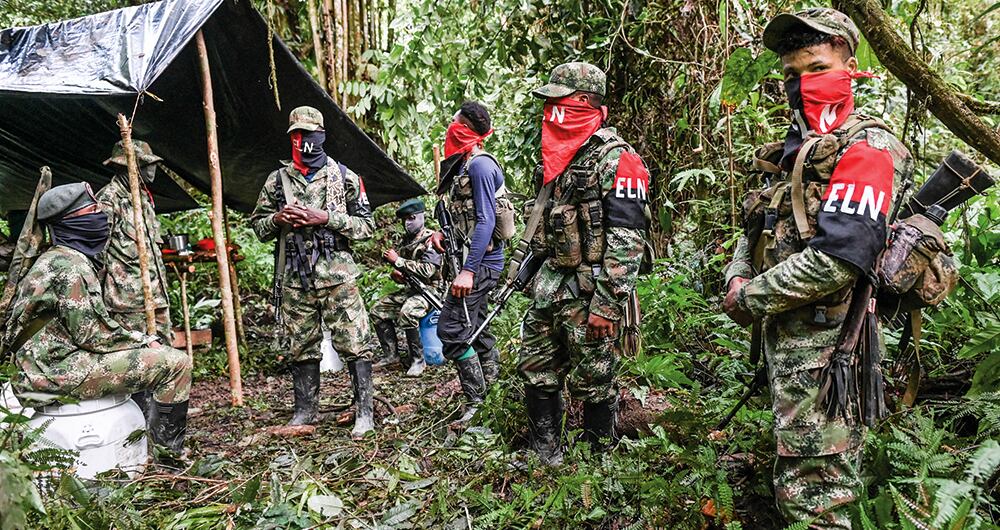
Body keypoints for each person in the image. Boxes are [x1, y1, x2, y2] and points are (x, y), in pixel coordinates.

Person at [721, 8, 913, 528]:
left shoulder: (869, 148)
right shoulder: (795, 149)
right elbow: (757, 231)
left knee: (818, 497)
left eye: (816, 68)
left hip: (830, 349)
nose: (801, 84)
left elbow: (839, 261)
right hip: (785, 341)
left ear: (850, 67)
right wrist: (737, 275)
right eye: (791, 74)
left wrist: (748, 298)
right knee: (795, 477)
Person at [516, 62, 651, 465]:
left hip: (591, 294)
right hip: (549, 288)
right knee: (536, 370)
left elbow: (628, 242)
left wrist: (608, 306)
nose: (549, 111)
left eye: (557, 100)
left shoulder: (617, 160)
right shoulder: (558, 158)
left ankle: (597, 464)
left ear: (582, 102)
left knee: (594, 381)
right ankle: (546, 452)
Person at [4, 183, 191, 453]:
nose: (100, 217)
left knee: (150, 356)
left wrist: (138, 340)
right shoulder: (70, 265)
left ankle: (144, 448)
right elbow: (93, 335)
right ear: (74, 221)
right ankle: (167, 460)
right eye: (93, 210)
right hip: (54, 373)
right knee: (176, 364)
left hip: (46, 366)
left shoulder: (58, 258)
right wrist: (144, 341)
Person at [250, 106, 378, 438]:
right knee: (300, 345)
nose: (302, 141)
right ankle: (306, 411)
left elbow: (367, 227)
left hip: (337, 275)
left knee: (355, 341)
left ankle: (365, 411)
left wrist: (327, 219)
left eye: (308, 135)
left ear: (321, 135)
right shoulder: (277, 181)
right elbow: (258, 225)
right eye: (296, 135)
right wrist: (278, 219)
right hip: (295, 274)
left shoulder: (345, 176)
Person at [432, 101, 506, 423]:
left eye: (453, 123)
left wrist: (467, 271)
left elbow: (486, 221)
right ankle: (495, 390)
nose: (448, 128)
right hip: (474, 263)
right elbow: (466, 218)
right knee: (476, 328)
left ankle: (477, 404)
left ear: (464, 130)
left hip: (482, 266)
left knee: (450, 330)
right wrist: (443, 234)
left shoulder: (479, 166)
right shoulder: (462, 166)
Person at [96, 140, 173, 342]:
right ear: (129, 165)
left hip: (156, 297)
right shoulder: (108, 199)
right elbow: (97, 253)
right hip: (127, 304)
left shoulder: (144, 199)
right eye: (147, 164)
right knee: (137, 360)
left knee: (166, 356)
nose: (154, 169)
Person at [371, 198, 442, 377]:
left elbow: (428, 271)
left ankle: (418, 360)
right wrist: (398, 275)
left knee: (408, 312)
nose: (407, 223)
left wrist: (398, 261)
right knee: (378, 310)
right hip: (412, 290)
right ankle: (391, 356)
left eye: (411, 218)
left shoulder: (431, 240)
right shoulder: (406, 241)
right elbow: (406, 272)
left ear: (421, 217)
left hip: (431, 291)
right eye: (404, 220)